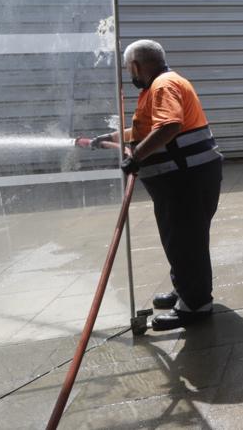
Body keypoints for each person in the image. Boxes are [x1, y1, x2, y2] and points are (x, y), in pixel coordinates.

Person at [94, 40, 222, 331]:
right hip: (188, 178)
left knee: (185, 241)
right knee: (184, 241)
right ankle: (186, 290)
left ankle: (196, 306)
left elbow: (168, 127)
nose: (130, 73)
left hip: (184, 181)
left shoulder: (163, 86)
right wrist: (114, 138)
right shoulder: (164, 84)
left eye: (130, 68)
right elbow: (148, 129)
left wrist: (135, 157)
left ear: (137, 65)